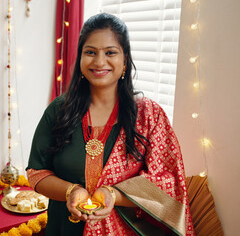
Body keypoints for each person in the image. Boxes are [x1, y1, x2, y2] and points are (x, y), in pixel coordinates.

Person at [26, 13, 194, 236]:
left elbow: (168, 182)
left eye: (110, 52)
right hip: (65, 228)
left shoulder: (148, 115)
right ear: (80, 58)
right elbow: (36, 172)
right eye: (90, 52)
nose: (99, 62)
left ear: (125, 60)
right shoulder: (60, 110)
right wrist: (71, 191)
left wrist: (113, 195)